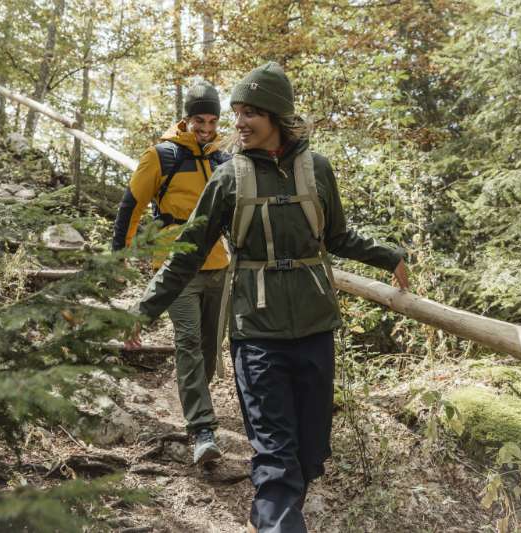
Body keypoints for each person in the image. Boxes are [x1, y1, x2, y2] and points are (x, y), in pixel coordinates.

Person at [128, 62, 410, 532]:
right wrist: (144, 309)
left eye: (250, 113)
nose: (238, 123)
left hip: (316, 328)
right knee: (276, 458)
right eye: (236, 113)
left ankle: (279, 514)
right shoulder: (228, 178)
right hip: (256, 334)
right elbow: (186, 254)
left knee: (310, 454)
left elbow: (337, 237)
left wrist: (389, 256)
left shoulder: (317, 169)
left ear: (277, 116)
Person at [112, 80, 230, 465]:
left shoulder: (223, 160)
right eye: (200, 120)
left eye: (212, 121)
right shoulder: (161, 156)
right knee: (189, 341)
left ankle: (197, 402)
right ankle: (202, 430)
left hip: (219, 265)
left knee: (210, 349)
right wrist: (120, 256)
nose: (206, 128)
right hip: (176, 264)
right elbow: (131, 205)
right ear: (186, 118)